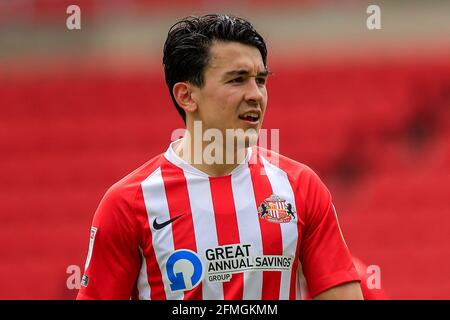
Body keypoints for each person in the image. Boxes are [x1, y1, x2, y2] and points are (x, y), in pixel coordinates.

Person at [77, 14, 363, 300]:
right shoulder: (129, 204)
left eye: (260, 80)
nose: (256, 95)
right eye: (237, 80)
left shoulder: (301, 188)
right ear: (187, 96)